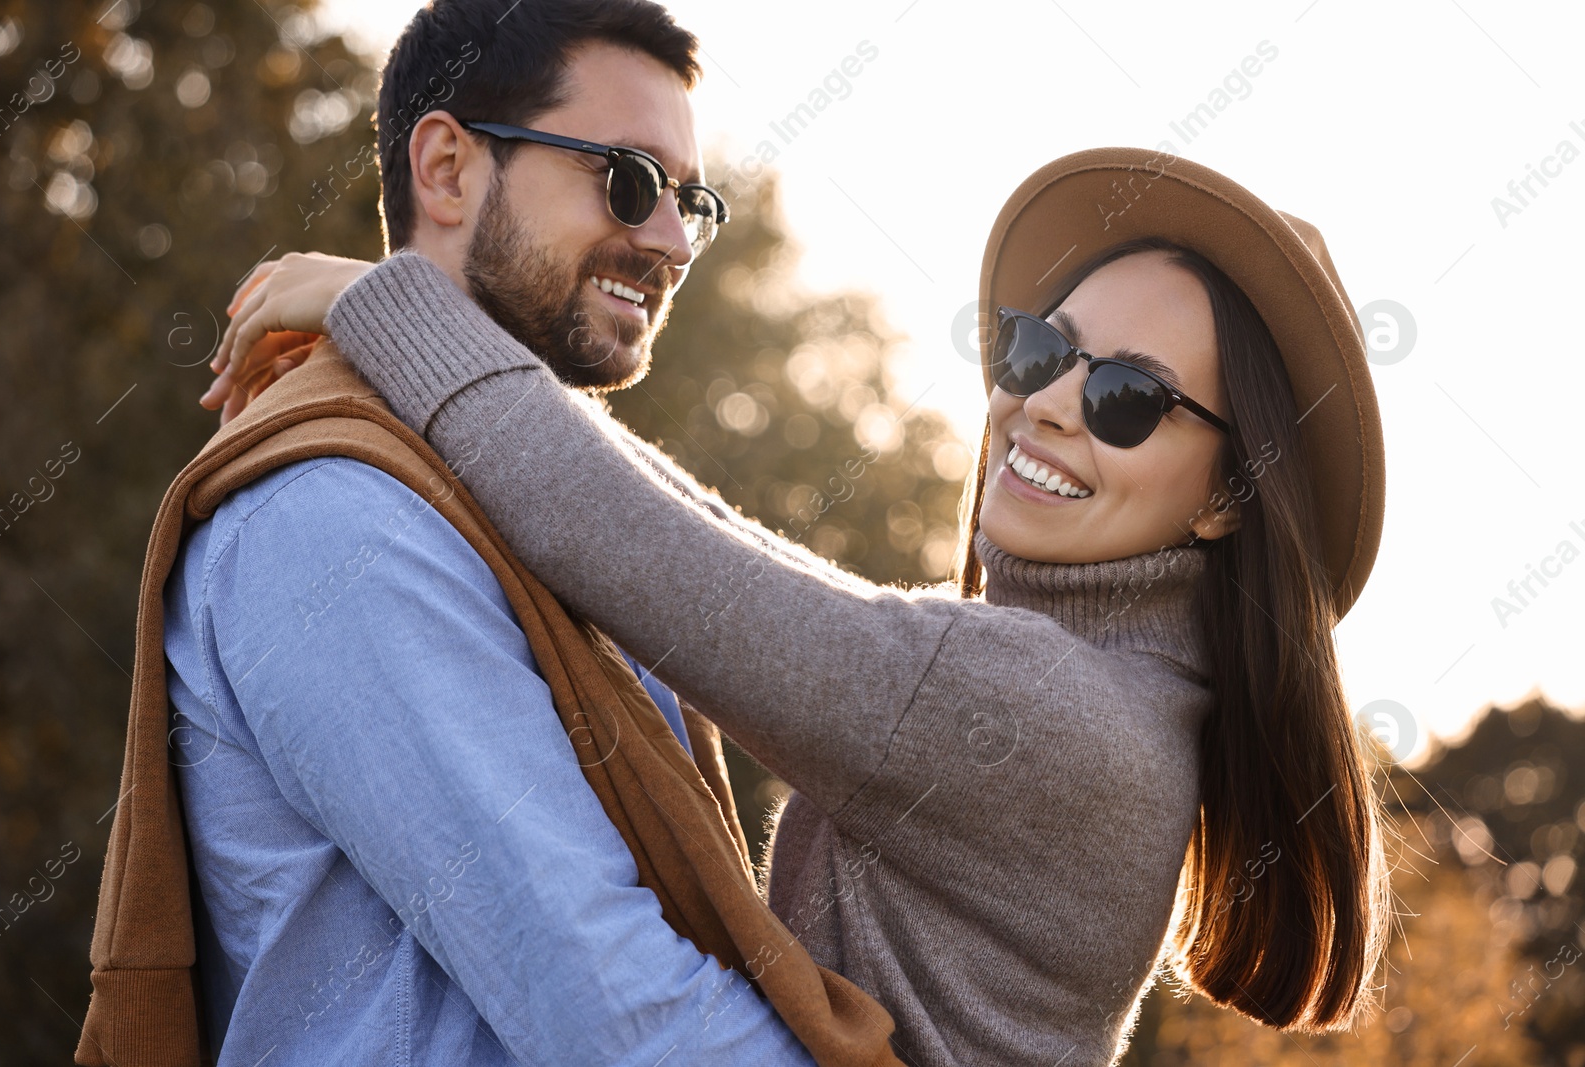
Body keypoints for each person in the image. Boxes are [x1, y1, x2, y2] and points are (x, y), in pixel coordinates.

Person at [212, 146, 1394, 1065]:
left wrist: (388, 303)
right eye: (1039, 352)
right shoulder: (1097, 691)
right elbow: (719, 550)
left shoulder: (1047, 708)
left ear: (1229, 499)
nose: (1045, 406)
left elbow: (657, 561)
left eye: (1130, 395)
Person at [79, 2, 902, 1065]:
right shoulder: (340, 516)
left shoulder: (543, 514)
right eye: (629, 181)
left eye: (690, 201)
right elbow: (611, 1012)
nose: (671, 240)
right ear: (449, 170)